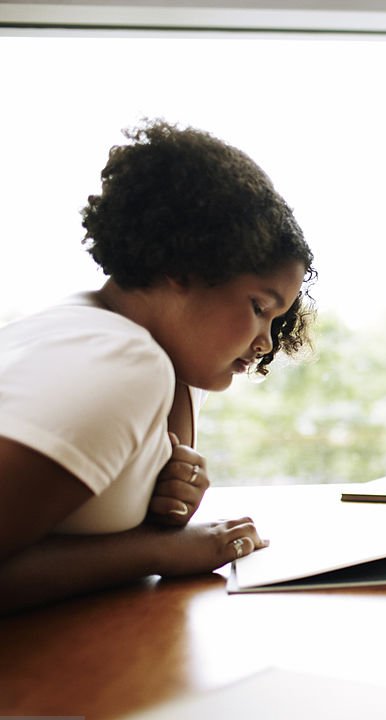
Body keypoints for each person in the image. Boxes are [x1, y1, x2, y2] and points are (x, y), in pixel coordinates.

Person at [0, 120, 316, 613]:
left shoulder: (133, 349)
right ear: (184, 268)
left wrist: (142, 509)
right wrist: (159, 549)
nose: (263, 342)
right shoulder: (123, 360)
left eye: (276, 320)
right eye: (259, 307)